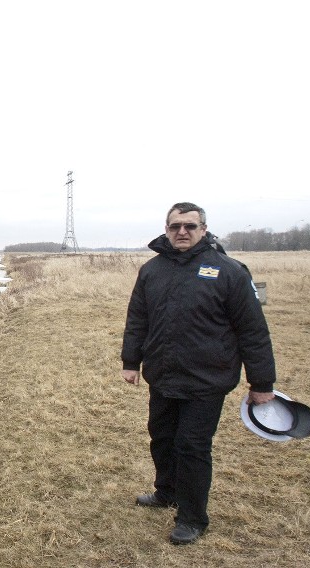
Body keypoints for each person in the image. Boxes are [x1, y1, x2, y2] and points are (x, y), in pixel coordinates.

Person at [120, 202, 276, 545]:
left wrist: (262, 383)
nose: (182, 232)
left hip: (207, 379)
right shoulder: (151, 271)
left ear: (203, 230)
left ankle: (192, 518)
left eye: (190, 226)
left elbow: (252, 331)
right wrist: (131, 362)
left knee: (192, 446)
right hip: (163, 375)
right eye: (175, 226)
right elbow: (138, 320)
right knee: (161, 437)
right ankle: (166, 492)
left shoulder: (229, 271)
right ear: (166, 229)